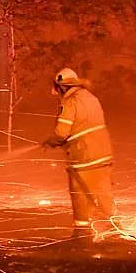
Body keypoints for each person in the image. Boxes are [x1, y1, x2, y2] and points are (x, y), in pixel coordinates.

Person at [41, 68, 117, 244]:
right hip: (103, 153)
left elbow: (62, 132)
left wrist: (51, 142)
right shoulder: (91, 97)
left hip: (83, 155)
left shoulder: (70, 102)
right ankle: (115, 229)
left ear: (61, 86)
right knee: (102, 192)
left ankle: (82, 234)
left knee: (80, 193)